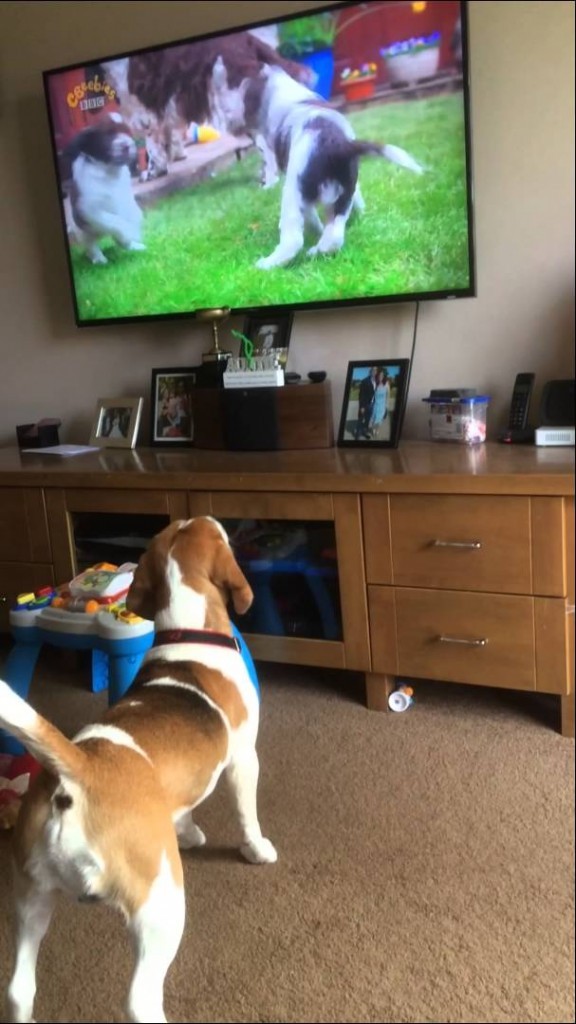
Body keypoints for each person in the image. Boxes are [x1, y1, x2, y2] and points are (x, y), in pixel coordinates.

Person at [354, 367, 377, 440]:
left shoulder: (376, 381)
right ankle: (357, 435)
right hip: (365, 404)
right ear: (370, 372)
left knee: (367, 420)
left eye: (375, 371)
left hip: (372, 404)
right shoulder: (365, 381)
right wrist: (362, 407)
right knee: (360, 420)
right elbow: (361, 395)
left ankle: (364, 432)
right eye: (372, 370)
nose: (374, 372)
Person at [369, 370, 391, 439]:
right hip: (375, 406)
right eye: (379, 376)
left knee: (379, 420)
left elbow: (388, 396)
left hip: (382, 406)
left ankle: (377, 429)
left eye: (382, 376)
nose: (380, 377)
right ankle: (373, 429)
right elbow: (372, 395)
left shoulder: (387, 384)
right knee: (374, 420)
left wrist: (386, 406)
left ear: (384, 377)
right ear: (378, 377)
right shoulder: (375, 384)